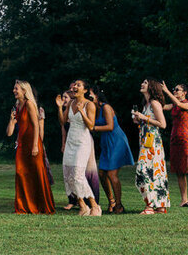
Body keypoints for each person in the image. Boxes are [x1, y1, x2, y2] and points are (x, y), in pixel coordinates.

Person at [6, 80, 55, 214]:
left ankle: (41, 206)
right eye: (14, 88)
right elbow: (9, 133)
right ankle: (24, 206)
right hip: (21, 143)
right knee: (20, 173)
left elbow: (36, 126)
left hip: (33, 142)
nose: (14, 91)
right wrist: (11, 120)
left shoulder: (29, 104)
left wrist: (35, 146)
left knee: (36, 173)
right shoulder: (17, 106)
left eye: (16, 89)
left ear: (24, 91)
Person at [56, 79, 100, 216]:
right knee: (68, 174)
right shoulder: (70, 103)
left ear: (85, 90)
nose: (74, 87)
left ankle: (94, 205)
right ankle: (82, 206)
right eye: (74, 85)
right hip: (71, 141)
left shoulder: (89, 105)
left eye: (78, 85)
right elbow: (63, 121)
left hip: (82, 142)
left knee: (77, 175)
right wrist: (59, 107)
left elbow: (91, 126)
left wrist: (82, 112)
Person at [91, 84, 134, 214]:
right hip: (106, 143)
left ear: (97, 95)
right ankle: (112, 202)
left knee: (111, 174)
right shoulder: (95, 109)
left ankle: (119, 205)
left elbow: (110, 126)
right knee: (102, 174)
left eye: (90, 94)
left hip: (116, 141)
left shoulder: (106, 107)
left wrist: (92, 128)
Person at [131, 77, 170, 215]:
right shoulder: (146, 104)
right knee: (154, 173)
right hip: (146, 143)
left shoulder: (154, 103)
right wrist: (139, 120)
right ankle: (160, 206)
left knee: (145, 172)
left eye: (145, 83)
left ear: (152, 87)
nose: (142, 84)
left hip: (153, 144)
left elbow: (163, 124)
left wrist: (144, 118)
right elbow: (149, 122)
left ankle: (150, 207)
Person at [162, 81, 188, 208]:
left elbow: (178, 103)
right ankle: (184, 200)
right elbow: (162, 106)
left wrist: (166, 91)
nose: (174, 91)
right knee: (179, 170)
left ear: (184, 93)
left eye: (177, 90)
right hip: (175, 139)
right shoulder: (174, 105)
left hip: (186, 140)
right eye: (174, 90)